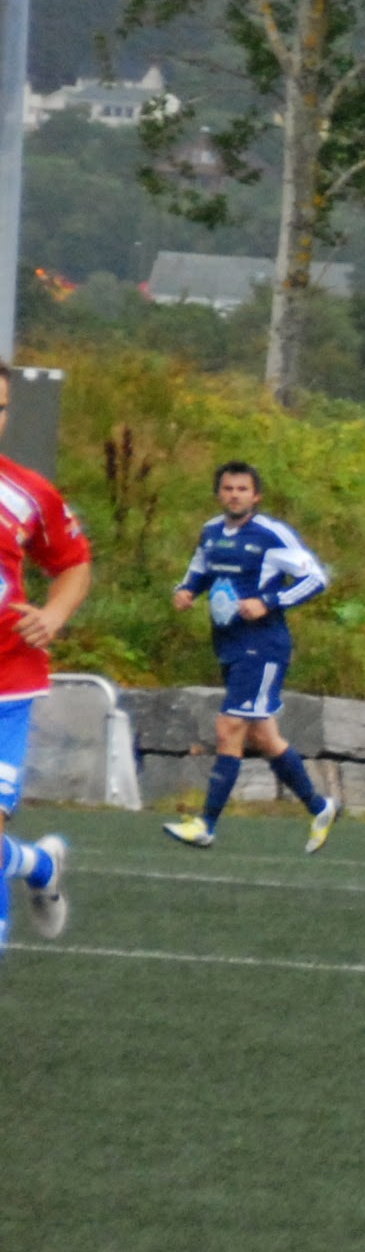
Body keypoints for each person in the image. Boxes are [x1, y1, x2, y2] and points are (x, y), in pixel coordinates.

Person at [159, 460, 339, 851]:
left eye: (242, 489)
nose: (234, 495)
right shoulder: (211, 531)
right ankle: (320, 806)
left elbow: (316, 578)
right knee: (263, 736)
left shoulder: (271, 534)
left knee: (229, 727)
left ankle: (205, 824)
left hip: (263, 645)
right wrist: (185, 591)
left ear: (255, 496)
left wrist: (269, 601)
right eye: (228, 488)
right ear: (218, 493)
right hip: (229, 643)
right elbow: (200, 570)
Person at [0, 367, 91, 952]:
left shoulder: (27, 493)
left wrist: (54, 614)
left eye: (0, 407)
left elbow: (73, 562)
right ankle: (39, 865)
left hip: (6, 684)